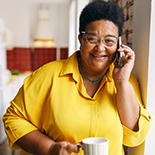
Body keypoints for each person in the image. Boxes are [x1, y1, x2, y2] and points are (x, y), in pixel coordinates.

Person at [3, 1, 151, 155]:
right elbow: (13, 118)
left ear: (119, 44)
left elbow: (135, 137)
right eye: (92, 38)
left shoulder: (126, 82)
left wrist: (121, 83)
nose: (100, 48)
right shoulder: (48, 75)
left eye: (109, 41)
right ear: (81, 39)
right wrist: (50, 148)